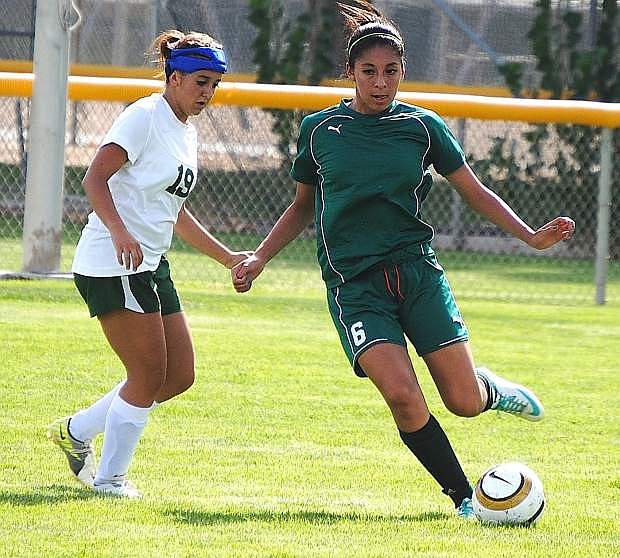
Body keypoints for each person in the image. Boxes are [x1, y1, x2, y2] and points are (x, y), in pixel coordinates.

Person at [232, 1, 575, 518]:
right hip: (356, 287)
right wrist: (260, 257)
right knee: (402, 396)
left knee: (461, 401)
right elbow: (302, 206)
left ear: (402, 73)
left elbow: (474, 191)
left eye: (390, 72)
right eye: (368, 72)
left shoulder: (422, 127)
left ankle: (488, 390)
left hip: (416, 274)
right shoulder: (321, 130)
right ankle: (463, 498)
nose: (380, 83)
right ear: (349, 74)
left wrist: (530, 236)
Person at [47, 30, 250, 498]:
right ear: (174, 77)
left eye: (214, 83)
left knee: (178, 376)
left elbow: (173, 210)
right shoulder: (143, 117)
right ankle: (110, 480)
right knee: (147, 376)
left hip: (150, 264)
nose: (208, 92)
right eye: (201, 81)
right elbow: (94, 178)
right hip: (111, 263)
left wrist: (227, 258)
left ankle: (76, 431)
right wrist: (119, 231)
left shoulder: (186, 131)